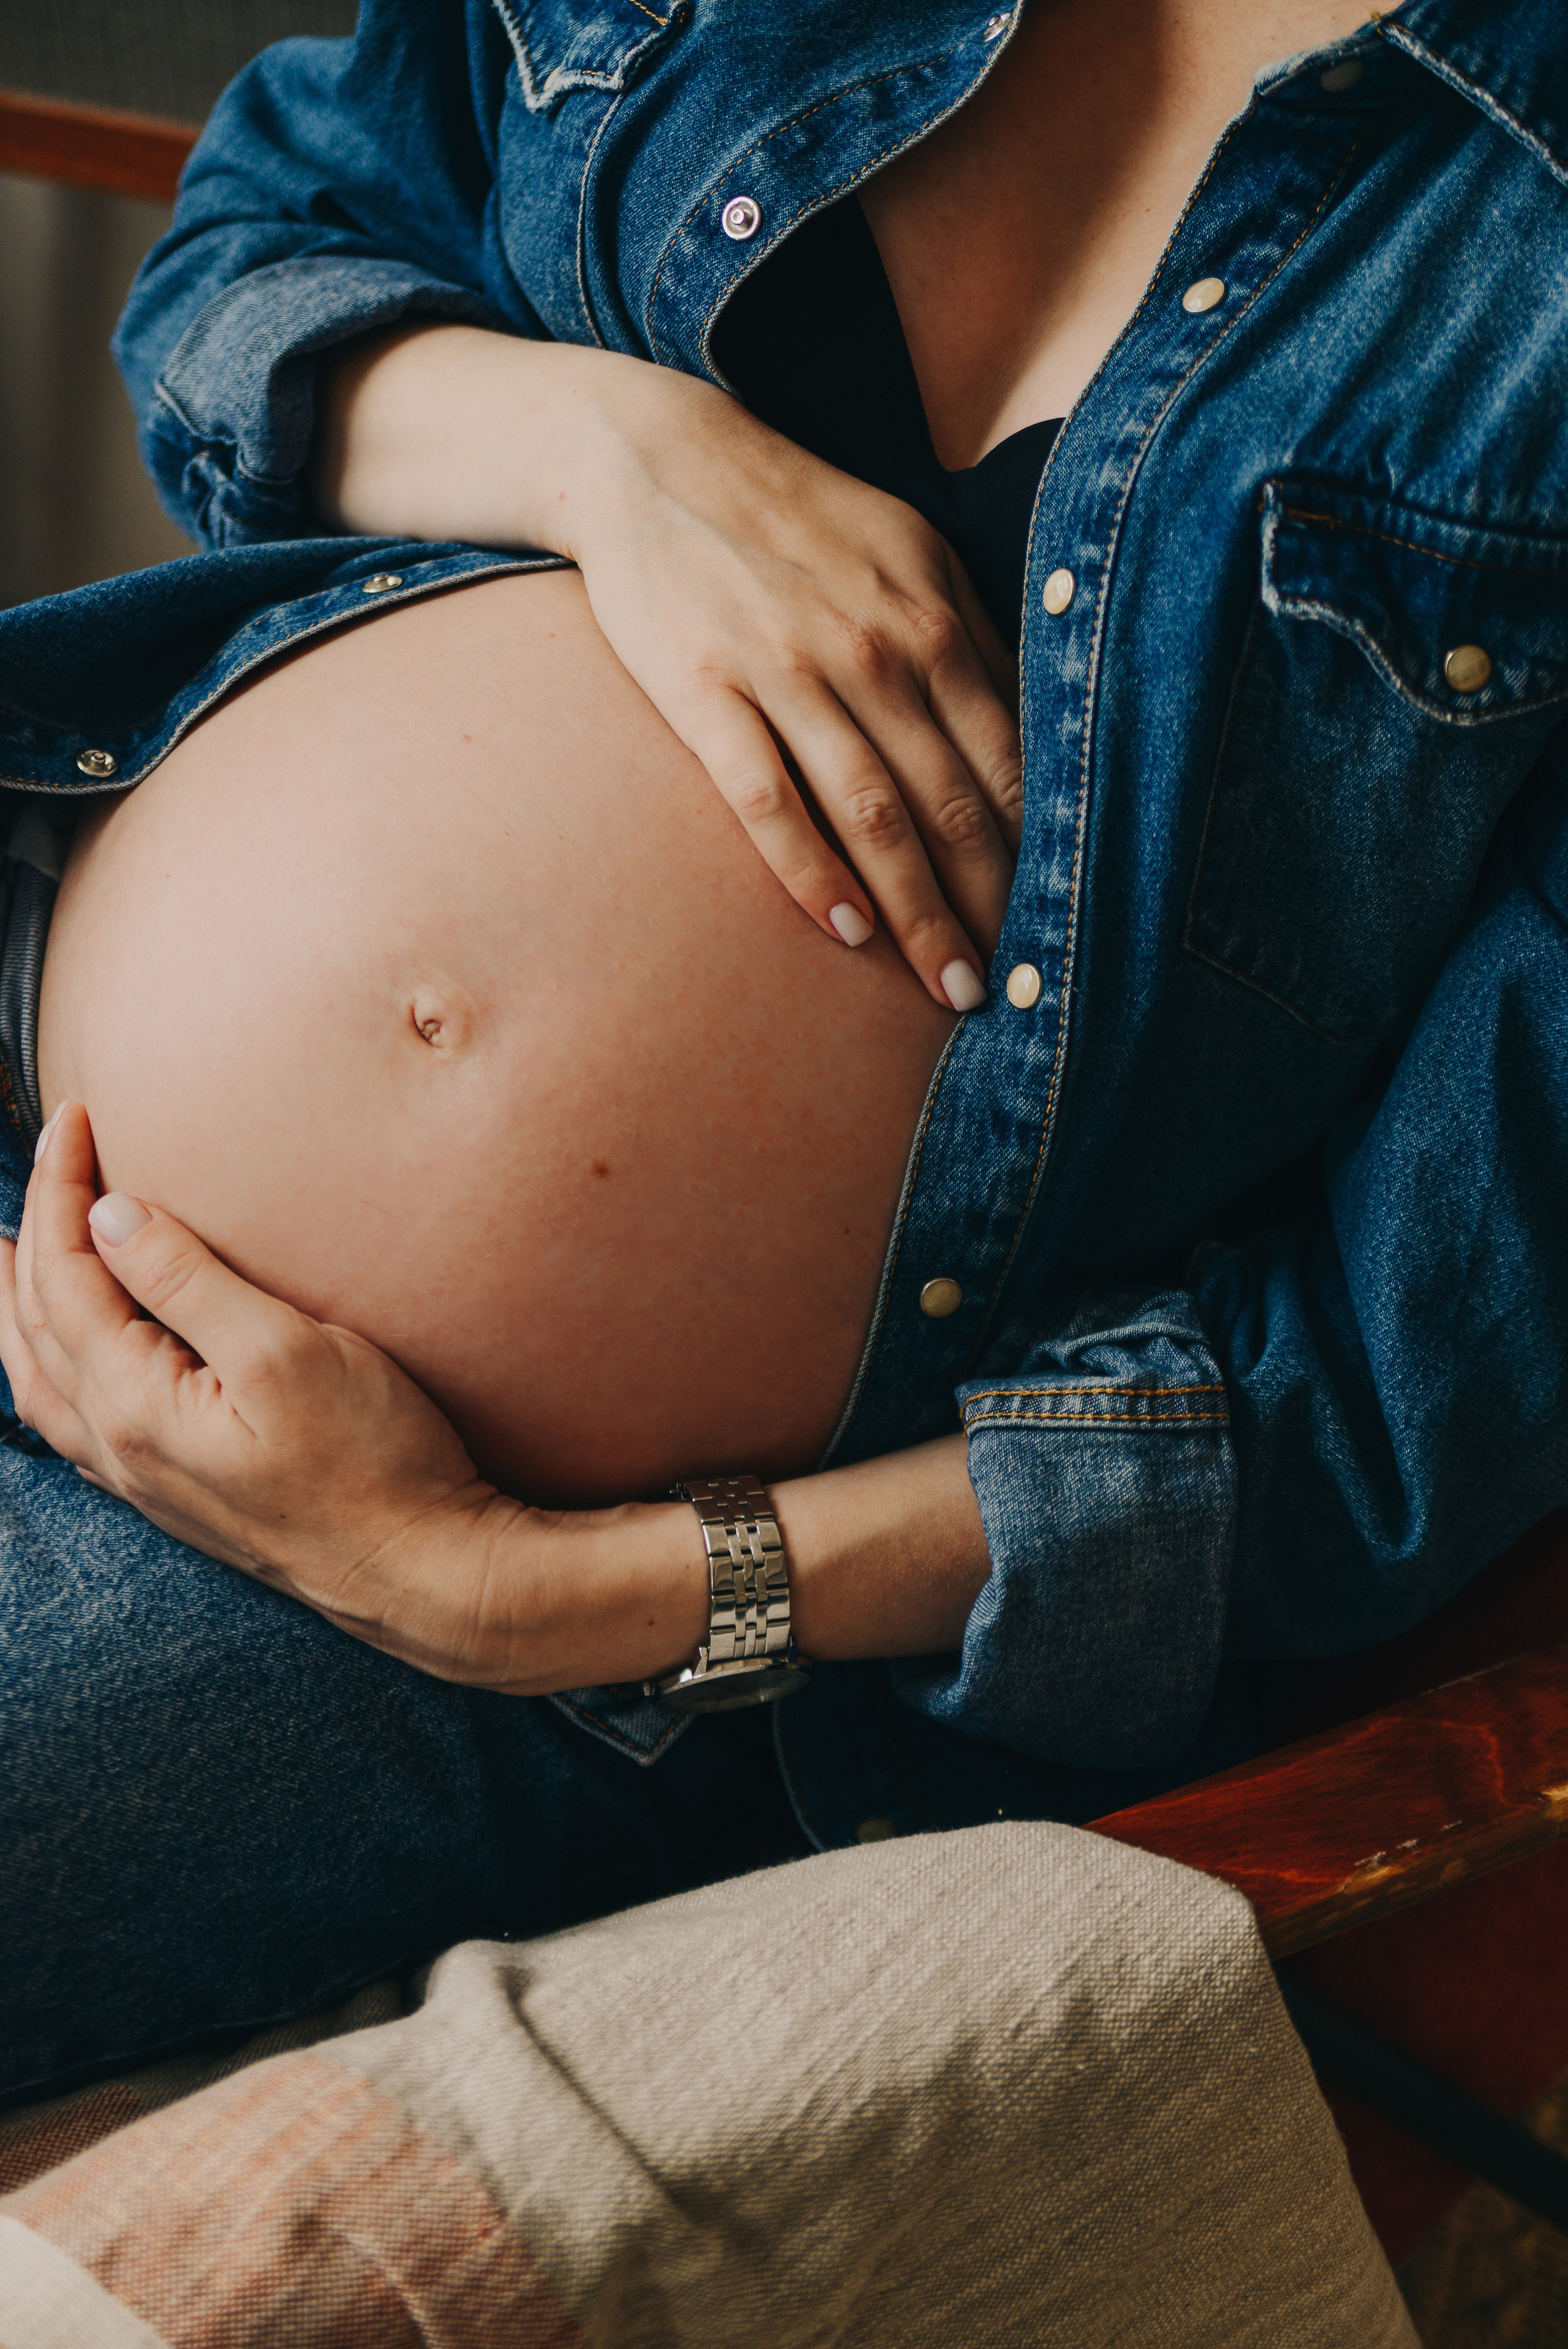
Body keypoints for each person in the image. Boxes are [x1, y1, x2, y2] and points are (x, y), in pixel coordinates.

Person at [2, 0, 1566, 2105]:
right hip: (58, 881)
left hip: (426, 1532)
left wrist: (548, 1593)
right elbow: (271, 234)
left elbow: (1385, 1401)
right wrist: (618, 455)